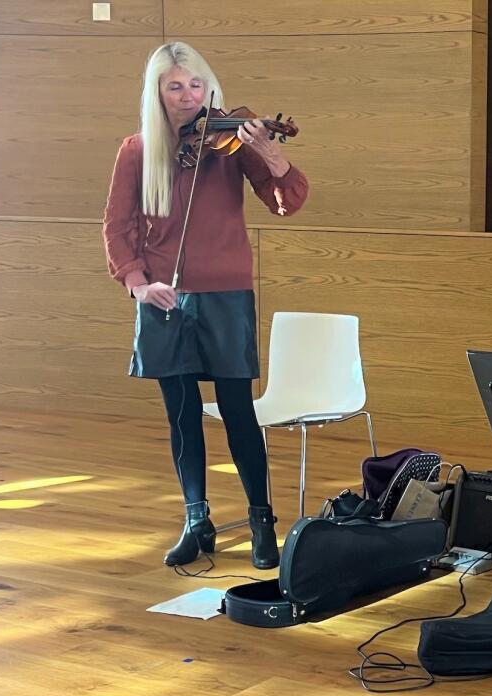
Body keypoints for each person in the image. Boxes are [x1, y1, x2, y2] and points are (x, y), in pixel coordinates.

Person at [102, 42, 309, 570]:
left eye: (197, 85)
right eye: (176, 86)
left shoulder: (233, 144)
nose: (189, 96)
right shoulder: (137, 150)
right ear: (158, 92)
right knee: (181, 415)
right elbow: (117, 227)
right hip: (162, 297)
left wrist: (272, 155)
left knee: (239, 411)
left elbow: (288, 202)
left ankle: (263, 521)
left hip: (226, 295)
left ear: (209, 88)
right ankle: (197, 519)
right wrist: (137, 284)